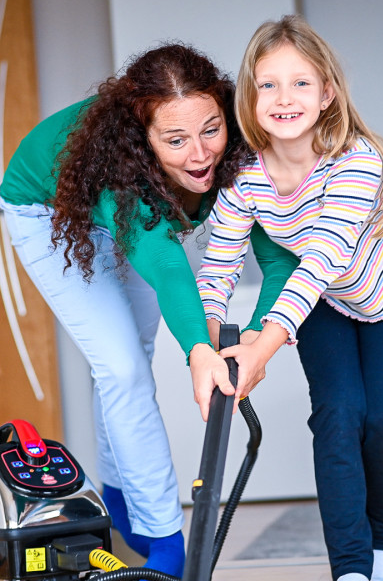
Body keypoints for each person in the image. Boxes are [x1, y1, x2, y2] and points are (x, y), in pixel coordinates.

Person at [0, 43, 253, 578]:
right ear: (144, 139)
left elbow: (266, 239)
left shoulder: (235, 149)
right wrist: (200, 350)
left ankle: (120, 499)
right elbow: (165, 266)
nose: (200, 154)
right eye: (176, 140)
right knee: (122, 369)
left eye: (211, 129)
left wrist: (257, 334)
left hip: (126, 210)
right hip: (48, 209)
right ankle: (164, 540)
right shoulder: (121, 166)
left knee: (130, 355)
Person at [196, 15, 383, 581]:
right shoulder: (243, 177)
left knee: (382, 423)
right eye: (267, 84)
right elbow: (219, 268)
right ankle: (350, 570)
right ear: (249, 98)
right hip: (315, 299)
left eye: (300, 83)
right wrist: (206, 347)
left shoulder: (356, 161)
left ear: (327, 94)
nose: (283, 97)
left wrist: (261, 347)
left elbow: (323, 257)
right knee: (337, 416)